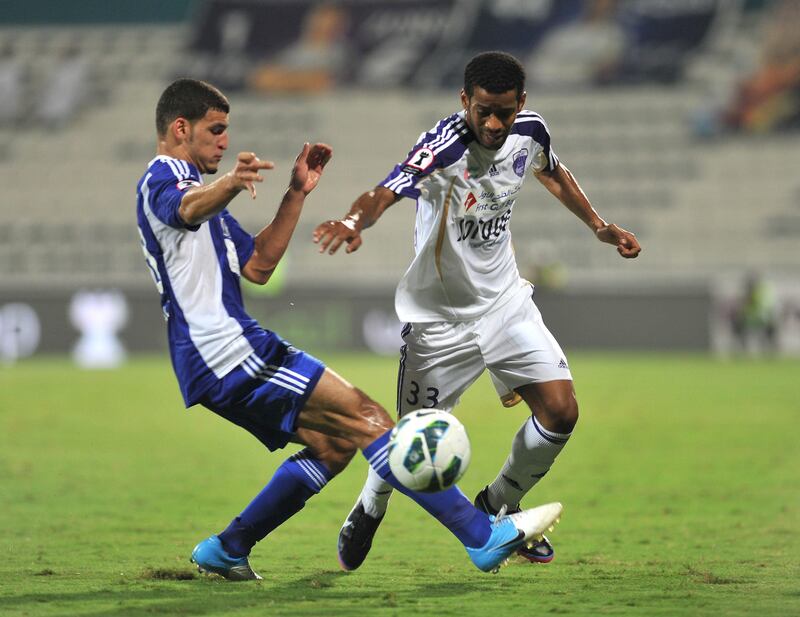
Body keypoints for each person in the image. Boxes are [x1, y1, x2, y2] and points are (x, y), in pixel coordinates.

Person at [136, 77, 563, 580]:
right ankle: (481, 535)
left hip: (220, 354)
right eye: (216, 130)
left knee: (333, 444)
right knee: (369, 419)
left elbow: (258, 266)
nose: (225, 141)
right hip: (226, 351)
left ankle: (229, 548)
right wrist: (229, 183)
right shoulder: (163, 179)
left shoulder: (199, 196)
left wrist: (296, 193)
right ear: (181, 128)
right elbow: (184, 209)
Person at [313, 51, 640, 571]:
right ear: (464, 100)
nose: (492, 123)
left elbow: (551, 172)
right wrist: (354, 221)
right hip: (440, 319)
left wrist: (598, 225)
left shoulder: (529, 131)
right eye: (482, 110)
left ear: (521, 105)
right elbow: (384, 191)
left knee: (561, 411)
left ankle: (499, 507)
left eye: (503, 112)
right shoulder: (442, 147)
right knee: (412, 439)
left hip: (505, 302)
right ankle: (369, 506)